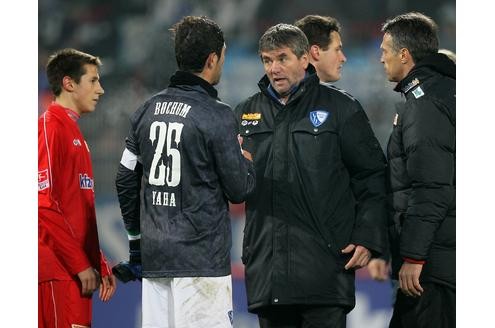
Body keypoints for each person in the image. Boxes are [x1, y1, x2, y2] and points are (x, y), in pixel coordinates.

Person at [234, 23, 388, 328]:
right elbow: (234, 189)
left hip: (326, 273)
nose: (274, 68)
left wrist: (368, 237)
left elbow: (372, 177)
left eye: (282, 58)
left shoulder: (342, 109)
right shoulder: (244, 113)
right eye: (267, 60)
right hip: (268, 274)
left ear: (305, 59)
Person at [115, 16, 255, 328]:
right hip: (201, 262)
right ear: (212, 59)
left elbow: (125, 177)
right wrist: (246, 162)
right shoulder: (217, 116)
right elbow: (239, 189)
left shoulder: (146, 110)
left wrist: (136, 244)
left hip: (156, 260)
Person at [379, 12, 455, 327]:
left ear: (404, 55)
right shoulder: (446, 91)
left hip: (434, 265)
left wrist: (413, 256)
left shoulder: (424, 104)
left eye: (384, 51)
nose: (381, 59)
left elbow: (431, 186)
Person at [38, 48, 117, 328]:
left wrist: (97, 261)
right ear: (69, 84)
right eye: (93, 81)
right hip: (57, 270)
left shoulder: (75, 134)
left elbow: (79, 211)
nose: (101, 89)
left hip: (75, 270)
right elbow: (43, 203)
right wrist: (80, 264)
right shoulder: (50, 128)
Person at [294, 14, 347, 83]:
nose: (343, 59)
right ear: (316, 52)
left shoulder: (280, 90)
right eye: (337, 50)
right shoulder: (335, 94)